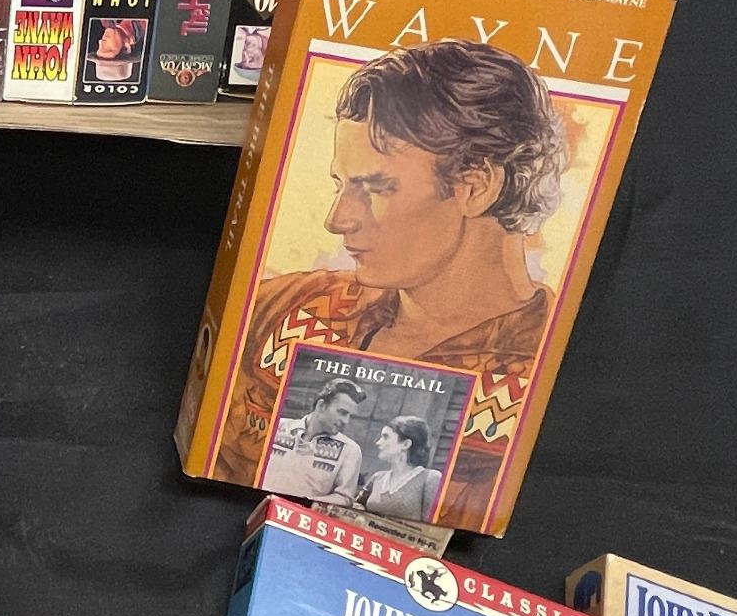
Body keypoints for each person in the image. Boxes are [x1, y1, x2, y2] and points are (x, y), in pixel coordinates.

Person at [218, 39, 568, 521]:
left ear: (476, 186)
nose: (337, 219)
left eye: (376, 187)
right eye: (342, 186)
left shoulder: (540, 375)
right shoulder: (280, 305)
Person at [259, 378, 366, 505]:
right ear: (321, 406)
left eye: (350, 416)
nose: (346, 421)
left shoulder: (350, 450)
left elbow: (344, 498)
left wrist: (302, 503)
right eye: (342, 413)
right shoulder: (275, 427)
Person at [357, 416, 443, 521]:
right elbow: (356, 506)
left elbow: (430, 524)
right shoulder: (378, 477)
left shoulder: (430, 478)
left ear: (406, 444)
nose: (378, 442)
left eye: (385, 437)